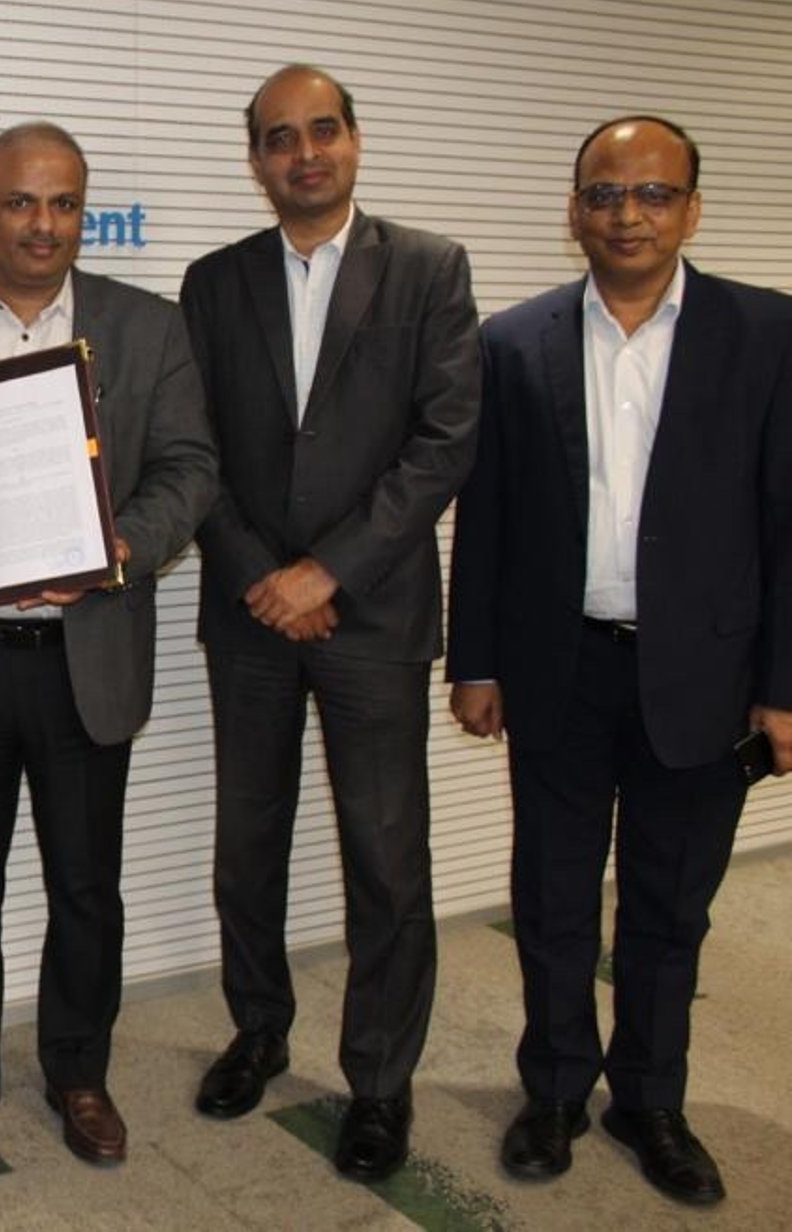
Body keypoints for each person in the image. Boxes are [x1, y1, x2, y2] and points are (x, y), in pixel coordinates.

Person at [447, 116, 792, 1206]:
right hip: (560, 667)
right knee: (550, 895)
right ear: (575, 210)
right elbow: (488, 515)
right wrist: (476, 659)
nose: (627, 214)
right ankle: (553, 1088)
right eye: (604, 193)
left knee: (668, 905)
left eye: (651, 193)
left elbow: (788, 521)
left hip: (707, 676)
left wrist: (785, 683)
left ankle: (649, 1098)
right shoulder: (515, 340)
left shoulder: (768, 333)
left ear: (691, 207)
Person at [0, 122, 218, 1166]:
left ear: (84, 213)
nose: (42, 224)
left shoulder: (146, 327)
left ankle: (79, 1072)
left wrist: (121, 547)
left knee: (85, 884)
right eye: (20, 202)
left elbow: (192, 470)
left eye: (64, 203)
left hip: (85, 651)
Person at [180, 64, 481, 1182]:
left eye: (321, 131)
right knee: (246, 845)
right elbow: (194, 445)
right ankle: (259, 1029)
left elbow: (445, 441)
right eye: (278, 138)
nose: (303, 153)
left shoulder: (431, 268)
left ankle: (381, 1082)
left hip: (374, 611)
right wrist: (269, 575)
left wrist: (330, 571)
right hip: (252, 609)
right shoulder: (214, 282)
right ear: (255, 158)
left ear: (354, 140)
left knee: (388, 860)